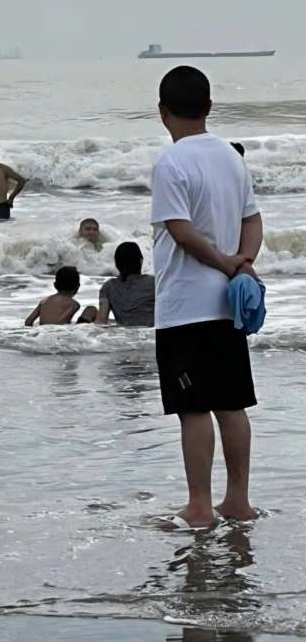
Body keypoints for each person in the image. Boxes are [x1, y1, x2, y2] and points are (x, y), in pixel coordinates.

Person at [151, 65, 262, 529]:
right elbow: (252, 220)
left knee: (193, 408)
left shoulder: (171, 162)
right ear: (209, 107)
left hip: (184, 306)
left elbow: (179, 231)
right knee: (231, 405)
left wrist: (223, 261)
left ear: (162, 112)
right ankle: (238, 500)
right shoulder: (230, 158)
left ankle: (199, 505)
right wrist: (243, 262)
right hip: (227, 304)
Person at [97, 241, 156, 327]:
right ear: (141, 261)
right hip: (148, 336)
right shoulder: (154, 283)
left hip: (123, 337)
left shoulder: (108, 287)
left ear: (117, 263)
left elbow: (101, 322)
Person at [0, 144, 27, 220]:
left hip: (1, 207)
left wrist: (11, 198)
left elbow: (22, 181)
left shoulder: (4, 169)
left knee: (1, 231)